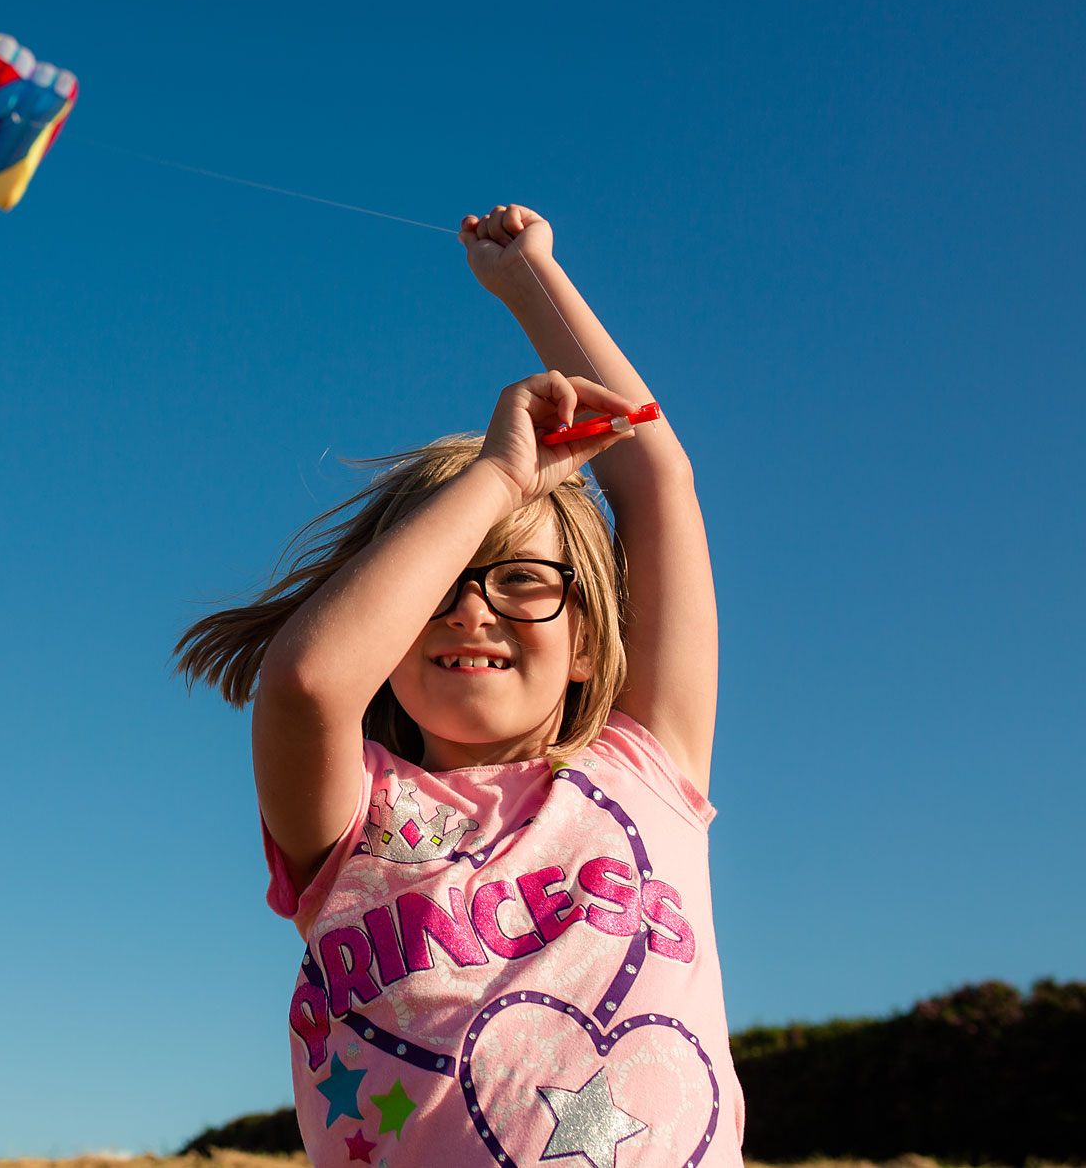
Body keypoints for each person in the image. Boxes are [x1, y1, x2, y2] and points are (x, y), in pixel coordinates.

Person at [177, 205, 741, 1168]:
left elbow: (656, 477)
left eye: (521, 578)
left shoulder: (648, 766)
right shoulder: (351, 814)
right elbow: (308, 683)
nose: (472, 610)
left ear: (588, 646)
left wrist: (531, 280)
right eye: (438, 585)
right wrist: (496, 477)